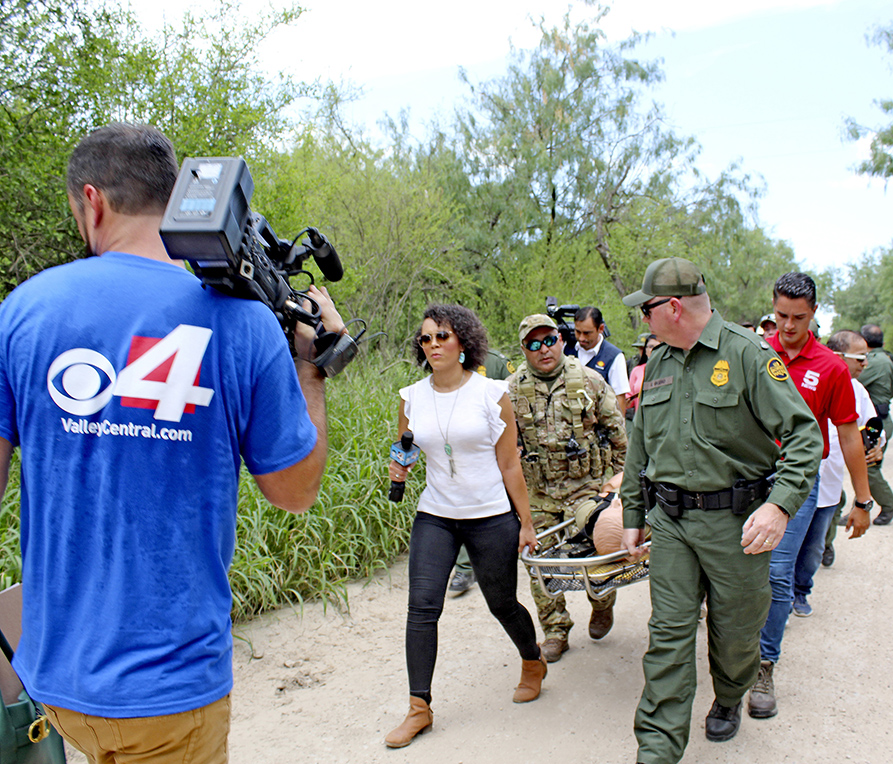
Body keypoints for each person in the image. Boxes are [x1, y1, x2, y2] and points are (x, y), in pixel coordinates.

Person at [0, 123, 340, 763]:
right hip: (170, 691)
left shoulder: (21, 311)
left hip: (55, 679)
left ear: (92, 202)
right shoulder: (243, 325)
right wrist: (310, 368)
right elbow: (295, 492)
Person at [619, 257, 823, 763]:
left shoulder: (749, 353)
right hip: (671, 523)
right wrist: (631, 516)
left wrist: (779, 509)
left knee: (734, 635)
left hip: (737, 527)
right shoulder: (660, 361)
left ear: (671, 307)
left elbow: (804, 436)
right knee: (667, 634)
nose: (643, 320)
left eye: (646, 310)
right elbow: (639, 445)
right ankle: (657, 751)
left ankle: (730, 696)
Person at [385, 305, 544, 748]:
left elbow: (510, 463)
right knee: (422, 606)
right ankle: (419, 707)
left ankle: (532, 661)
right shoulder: (411, 396)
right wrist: (401, 469)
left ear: (463, 343)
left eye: (442, 336)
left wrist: (525, 523)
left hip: (490, 514)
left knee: (501, 603)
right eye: (426, 339)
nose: (433, 345)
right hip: (436, 513)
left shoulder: (492, 393)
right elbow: (408, 449)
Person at [751, 272, 873, 720]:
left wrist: (861, 501)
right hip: (747, 479)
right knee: (737, 568)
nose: (787, 325)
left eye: (798, 317)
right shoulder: (756, 354)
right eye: (781, 315)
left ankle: (765, 665)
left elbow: (848, 435)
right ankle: (731, 655)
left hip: (797, 482)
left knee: (779, 572)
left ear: (814, 314)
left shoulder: (831, 368)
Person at [508, 314, 628, 663]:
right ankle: (556, 630)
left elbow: (618, 437)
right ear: (524, 349)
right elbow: (503, 448)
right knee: (539, 566)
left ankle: (602, 603)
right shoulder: (511, 390)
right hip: (539, 494)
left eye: (549, 340)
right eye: (533, 344)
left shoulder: (589, 381)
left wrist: (619, 486)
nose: (543, 349)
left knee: (598, 557)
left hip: (586, 490)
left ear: (561, 340)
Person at [793, 331, 882, 616]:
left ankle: (801, 591)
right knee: (784, 552)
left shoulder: (857, 390)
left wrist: (877, 446)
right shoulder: (805, 378)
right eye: (860, 357)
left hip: (829, 484)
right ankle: (778, 601)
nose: (865, 363)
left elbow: (870, 428)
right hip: (796, 481)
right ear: (839, 356)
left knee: (814, 548)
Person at [448, 346, 518, 595]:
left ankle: (499, 562)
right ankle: (466, 568)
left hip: (497, 443)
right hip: (461, 446)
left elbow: (514, 400)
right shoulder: (445, 360)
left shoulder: (496, 362)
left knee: (504, 504)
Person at [858, 324, 893, 526]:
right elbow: (892, 389)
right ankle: (859, 506)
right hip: (881, 418)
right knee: (868, 466)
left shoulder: (873, 362)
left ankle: (889, 503)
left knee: (868, 468)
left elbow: (855, 381)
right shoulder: (887, 359)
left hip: (875, 422)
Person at [568, 306, 630, 415]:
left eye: (587, 333)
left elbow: (619, 398)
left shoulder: (614, 356)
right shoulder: (566, 348)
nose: (582, 338)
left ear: (601, 329)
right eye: (578, 332)